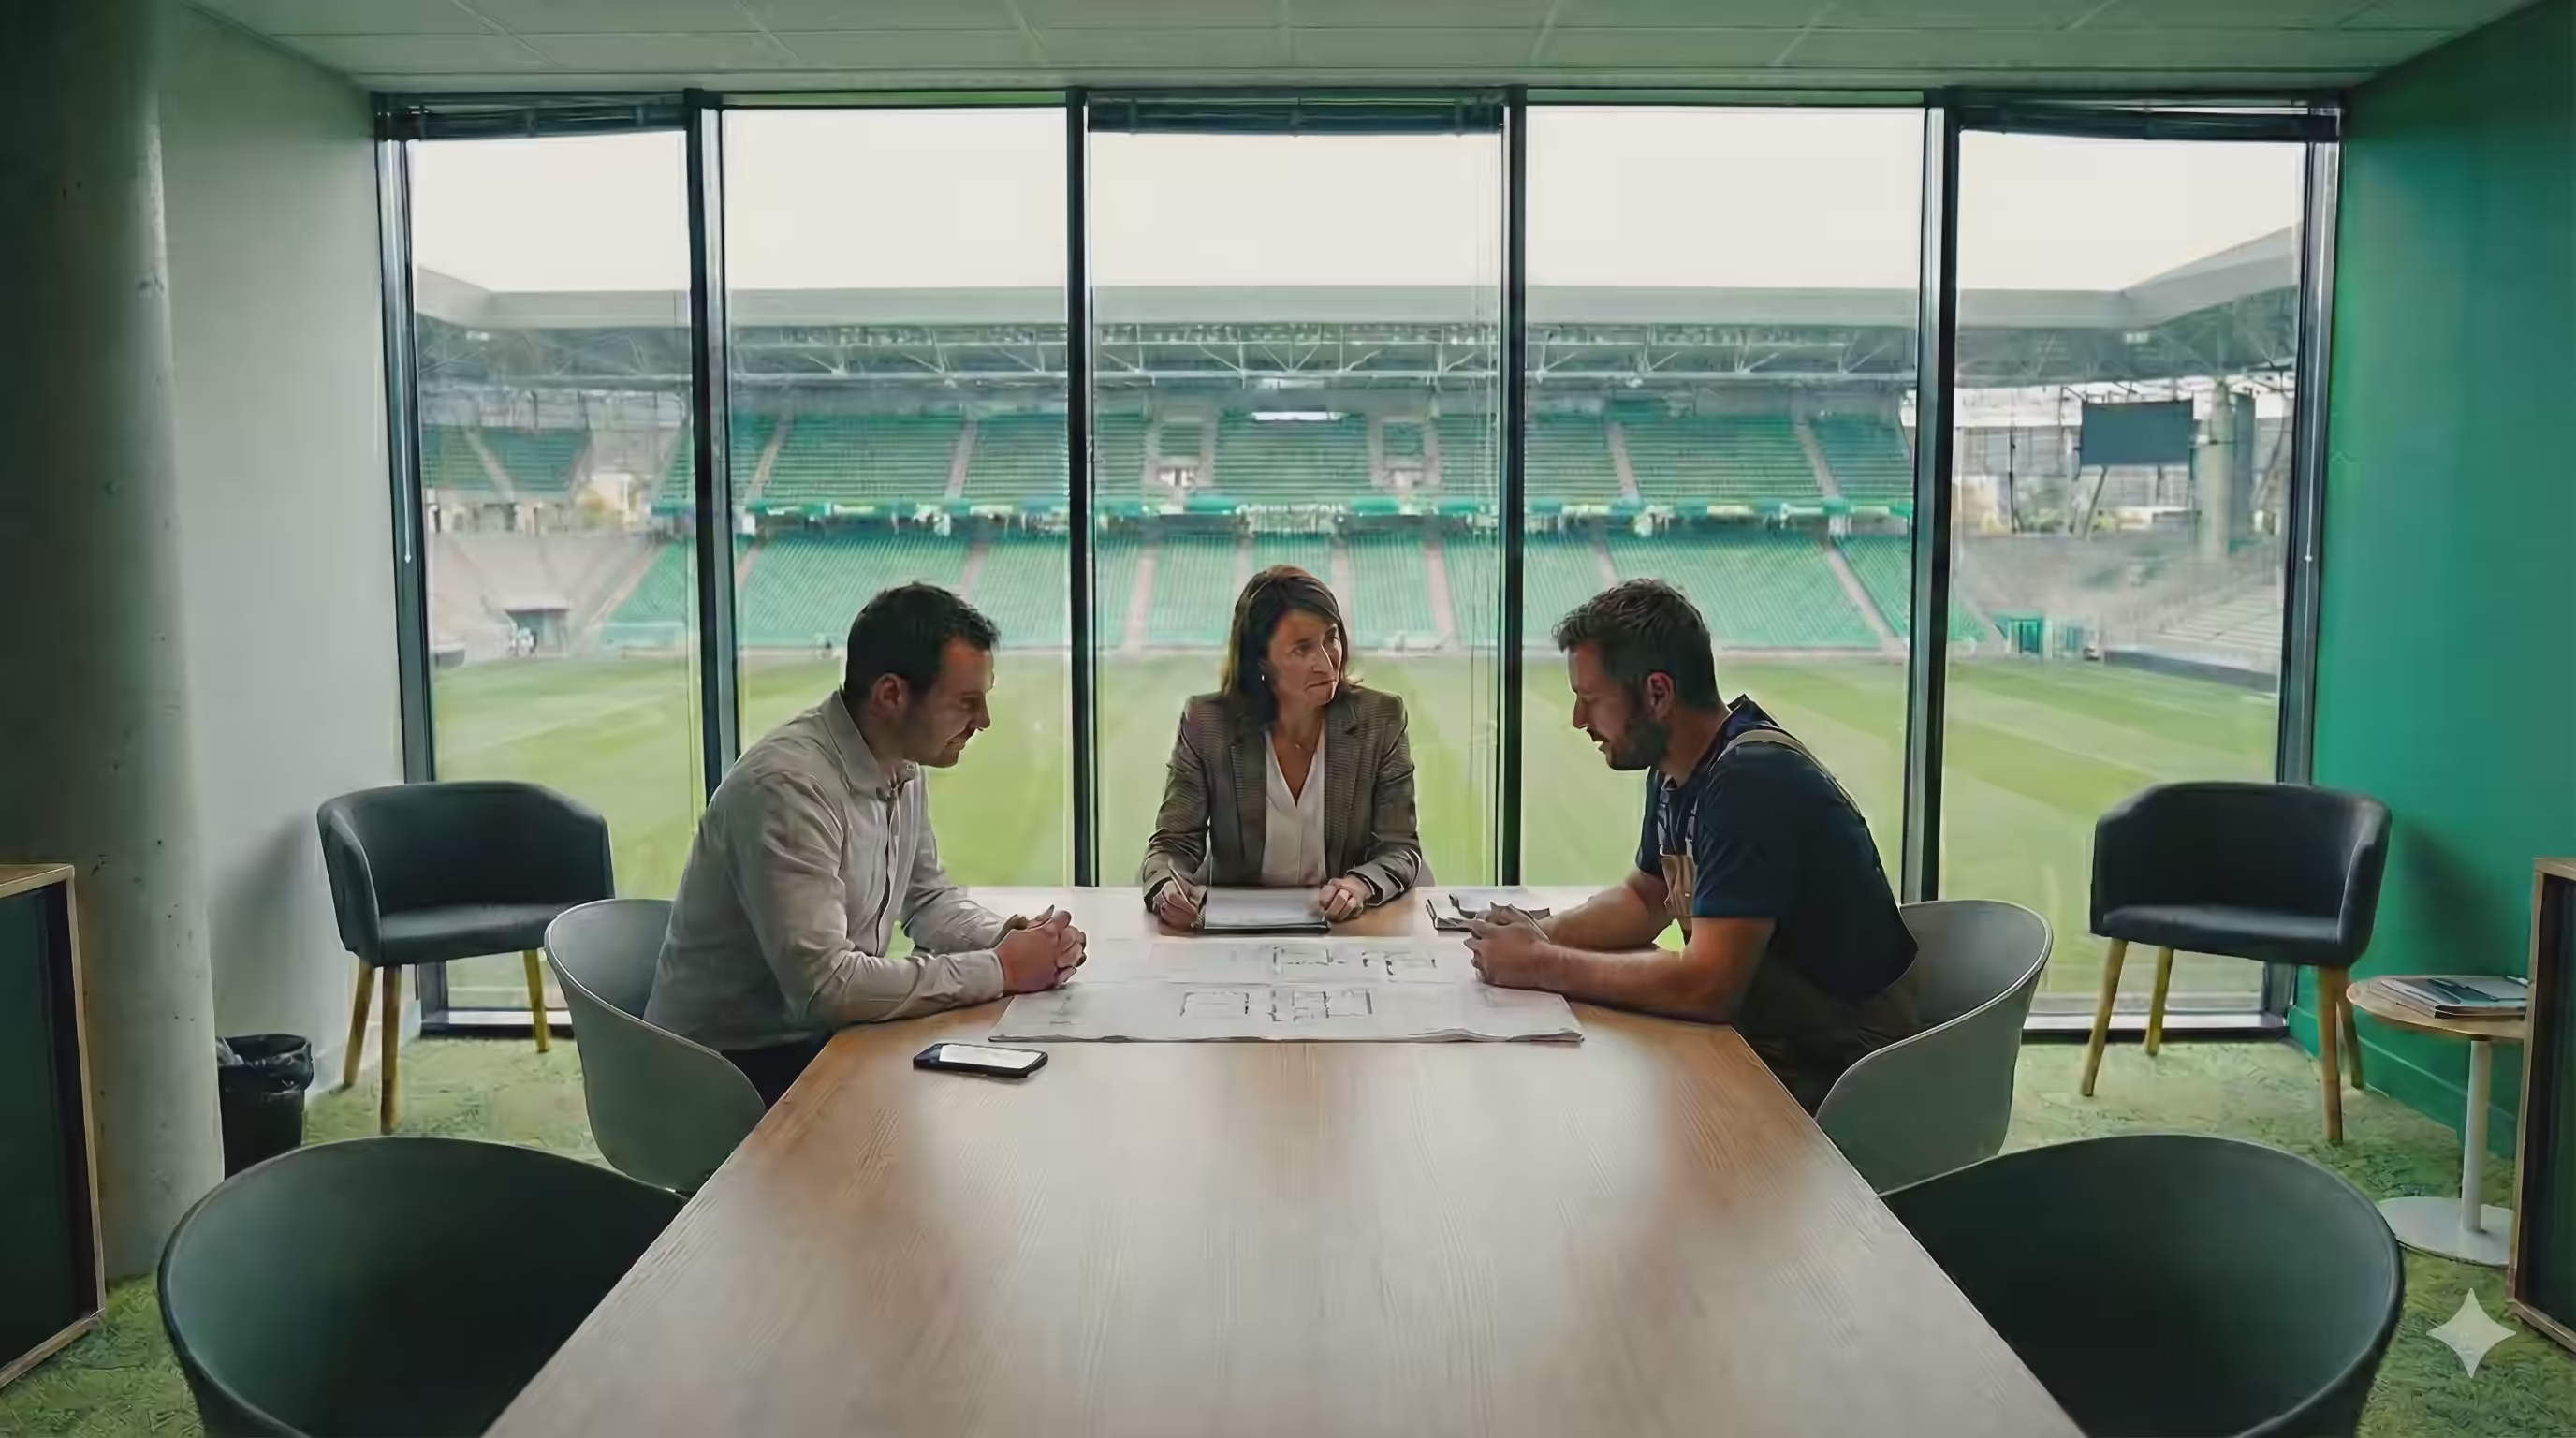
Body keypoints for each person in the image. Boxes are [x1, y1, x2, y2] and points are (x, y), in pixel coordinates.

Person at [1465, 579, 1919, 1111]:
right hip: (1770, 1042)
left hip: (1850, 1073)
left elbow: (1708, 985)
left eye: (1591, 700)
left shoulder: (1751, 780)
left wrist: (1542, 964)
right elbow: (1644, 899)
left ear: (1658, 694)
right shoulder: (1676, 769)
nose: (1578, 720)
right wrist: (1535, 936)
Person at [647, 583, 1085, 1106]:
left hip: (816, 1042)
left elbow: (928, 900)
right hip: (728, 1072)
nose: (984, 721)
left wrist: (1010, 939)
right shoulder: (788, 788)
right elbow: (826, 987)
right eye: (966, 702)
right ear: (891, 695)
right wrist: (1002, 968)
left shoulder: (900, 759)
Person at [1141, 565, 1423, 928]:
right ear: (1261, 661)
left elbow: (1399, 847)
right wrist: (1167, 888)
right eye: (1302, 649)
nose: (1326, 663)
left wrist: (1359, 885)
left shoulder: (1380, 719)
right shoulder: (1208, 723)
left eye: (1331, 638)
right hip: (1236, 930)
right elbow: (1172, 845)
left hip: (1341, 928)